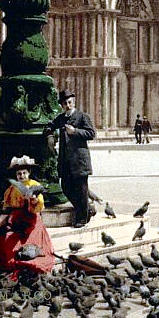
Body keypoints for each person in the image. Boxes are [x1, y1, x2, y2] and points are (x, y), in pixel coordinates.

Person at [0, 156, 54, 278]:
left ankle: (14, 267)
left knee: (12, 239)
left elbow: (39, 207)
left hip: (30, 220)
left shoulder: (34, 185)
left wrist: (33, 200)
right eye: (19, 174)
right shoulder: (12, 188)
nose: (21, 176)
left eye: (24, 173)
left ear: (29, 173)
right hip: (14, 218)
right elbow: (7, 207)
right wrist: (0, 211)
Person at [47, 90, 96, 228]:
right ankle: (87, 209)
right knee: (66, 187)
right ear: (62, 105)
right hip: (66, 160)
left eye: (70, 102)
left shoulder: (82, 116)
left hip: (80, 160)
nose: (68, 105)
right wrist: (49, 135)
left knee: (81, 189)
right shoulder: (61, 118)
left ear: (73, 102)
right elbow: (50, 125)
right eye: (65, 103)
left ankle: (82, 218)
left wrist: (75, 131)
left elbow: (91, 133)